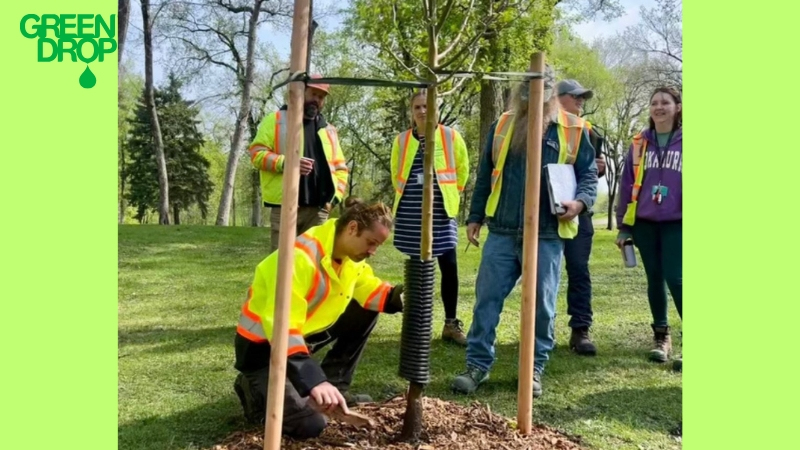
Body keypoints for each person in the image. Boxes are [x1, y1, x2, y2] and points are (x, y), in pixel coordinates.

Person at [451, 66, 598, 397]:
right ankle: (477, 365)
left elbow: (588, 174)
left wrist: (580, 203)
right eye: (526, 89)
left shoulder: (574, 128)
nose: (531, 96)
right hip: (502, 230)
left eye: (540, 89)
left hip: (547, 233)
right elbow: (487, 170)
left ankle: (533, 369)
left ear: (550, 93)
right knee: (486, 300)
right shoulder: (503, 124)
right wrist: (475, 216)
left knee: (542, 306)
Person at [233, 197, 405, 439]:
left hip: (303, 337)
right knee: (311, 425)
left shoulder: (348, 255)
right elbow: (284, 331)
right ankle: (252, 388)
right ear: (353, 228)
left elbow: (369, 289)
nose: (373, 251)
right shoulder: (298, 260)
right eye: (371, 242)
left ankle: (335, 387)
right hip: (263, 350)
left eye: (377, 245)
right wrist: (314, 382)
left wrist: (400, 297)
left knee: (366, 309)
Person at [390, 89, 470, 345]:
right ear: (411, 112)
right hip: (412, 212)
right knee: (418, 270)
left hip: (442, 212)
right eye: (418, 108)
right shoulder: (402, 140)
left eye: (427, 106)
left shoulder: (451, 136)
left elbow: (462, 170)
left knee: (449, 267)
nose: (423, 111)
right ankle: (417, 326)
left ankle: (450, 323)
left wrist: (448, 195)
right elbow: (396, 174)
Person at [615, 87, 682, 369]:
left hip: (678, 222)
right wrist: (623, 227)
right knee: (654, 277)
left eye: (665, 102)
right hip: (643, 223)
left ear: (678, 107)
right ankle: (661, 337)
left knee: (675, 277)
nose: (659, 107)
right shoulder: (640, 143)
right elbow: (627, 184)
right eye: (654, 102)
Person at [249, 74, 349, 253]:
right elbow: (257, 154)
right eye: (313, 94)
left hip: (318, 210)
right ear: (300, 93)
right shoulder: (276, 120)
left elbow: (341, 169)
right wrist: (287, 163)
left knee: (313, 264)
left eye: (321, 97)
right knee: (280, 264)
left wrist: (333, 200)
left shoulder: (329, 130)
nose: (317, 100)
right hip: (284, 207)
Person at [555, 79, 607, 356]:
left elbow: (588, 172)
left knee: (578, 269)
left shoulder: (589, 131)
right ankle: (541, 328)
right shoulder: (540, 128)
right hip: (545, 212)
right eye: (575, 96)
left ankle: (580, 330)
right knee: (542, 272)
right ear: (557, 97)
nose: (580, 101)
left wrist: (598, 169)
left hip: (579, 212)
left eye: (582, 98)